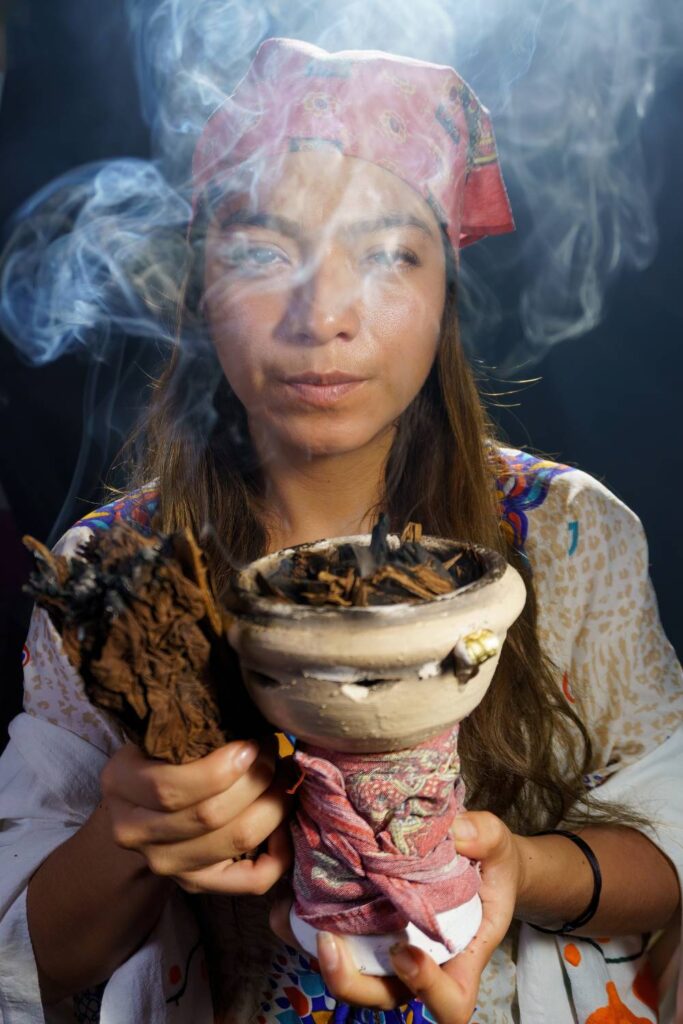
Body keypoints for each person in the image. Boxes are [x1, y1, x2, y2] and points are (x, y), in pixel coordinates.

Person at [0, 36, 681, 1024]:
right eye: (264, 253)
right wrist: (131, 831)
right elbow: (30, 954)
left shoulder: (569, 538)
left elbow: (670, 839)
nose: (323, 315)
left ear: (444, 290)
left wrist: (520, 866)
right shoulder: (113, 576)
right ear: (201, 291)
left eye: (385, 254)